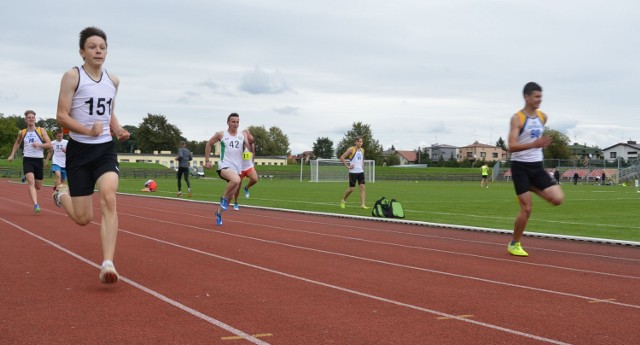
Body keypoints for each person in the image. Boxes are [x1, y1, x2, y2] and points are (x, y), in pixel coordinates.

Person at [52, 27, 130, 284]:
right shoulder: (73, 77)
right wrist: (88, 129)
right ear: (82, 52)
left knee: (109, 194)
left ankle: (108, 262)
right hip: (80, 150)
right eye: (93, 47)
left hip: (105, 149)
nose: (98, 51)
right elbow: (61, 115)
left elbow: (109, 111)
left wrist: (116, 128)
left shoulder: (113, 81)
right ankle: (61, 195)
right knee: (83, 218)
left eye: (102, 47)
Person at [507, 82, 564, 257]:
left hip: (537, 167)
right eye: (537, 96)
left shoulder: (542, 117)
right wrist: (534, 144)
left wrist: (538, 145)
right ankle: (514, 243)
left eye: (541, 96)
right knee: (527, 208)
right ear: (527, 97)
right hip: (520, 167)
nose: (540, 100)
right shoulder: (517, 118)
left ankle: (529, 186)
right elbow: (511, 146)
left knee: (557, 199)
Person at [205, 113, 247, 225]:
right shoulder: (221, 134)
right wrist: (207, 160)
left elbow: (246, 148)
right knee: (236, 180)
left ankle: (219, 213)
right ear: (228, 122)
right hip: (224, 167)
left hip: (237, 169)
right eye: (233, 122)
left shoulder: (242, 135)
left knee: (230, 199)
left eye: (237, 122)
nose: (235, 124)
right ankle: (222, 198)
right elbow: (209, 144)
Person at [8, 110, 52, 213]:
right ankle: (36, 204)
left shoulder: (41, 131)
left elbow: (49, 144)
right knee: (31, 181)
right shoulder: (22, 132)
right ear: (26, 120)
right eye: (29, 117)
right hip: (27, 159)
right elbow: (17, 143)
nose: (31, 119)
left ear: (35, 119)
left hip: (38, 160)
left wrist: (39, 145)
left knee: (38, 186)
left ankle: (26, 176)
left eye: (32, 117)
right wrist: (12, 155)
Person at [232, 129, 259, 210]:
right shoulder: (241, 144)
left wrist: (253, 162)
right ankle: (236, 202)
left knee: (255, 179)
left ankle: (246, 188)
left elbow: (253, 152)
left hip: (249, 166)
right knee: (237, 187)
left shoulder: (251, 144)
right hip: (240, 168)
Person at [339, 136, 368, 209]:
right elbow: (342, 157)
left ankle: (363, 205)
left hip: (361, 172)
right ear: (355, 142)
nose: (359, 143)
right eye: (358, 141)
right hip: (353, 172)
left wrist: (362, 165)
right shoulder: (351, 149)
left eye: (361, 141)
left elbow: (362, 158)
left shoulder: (362, 150)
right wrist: (347, 166)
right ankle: (343, 200)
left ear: (362, 142)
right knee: (351, 189)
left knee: (362, 187)